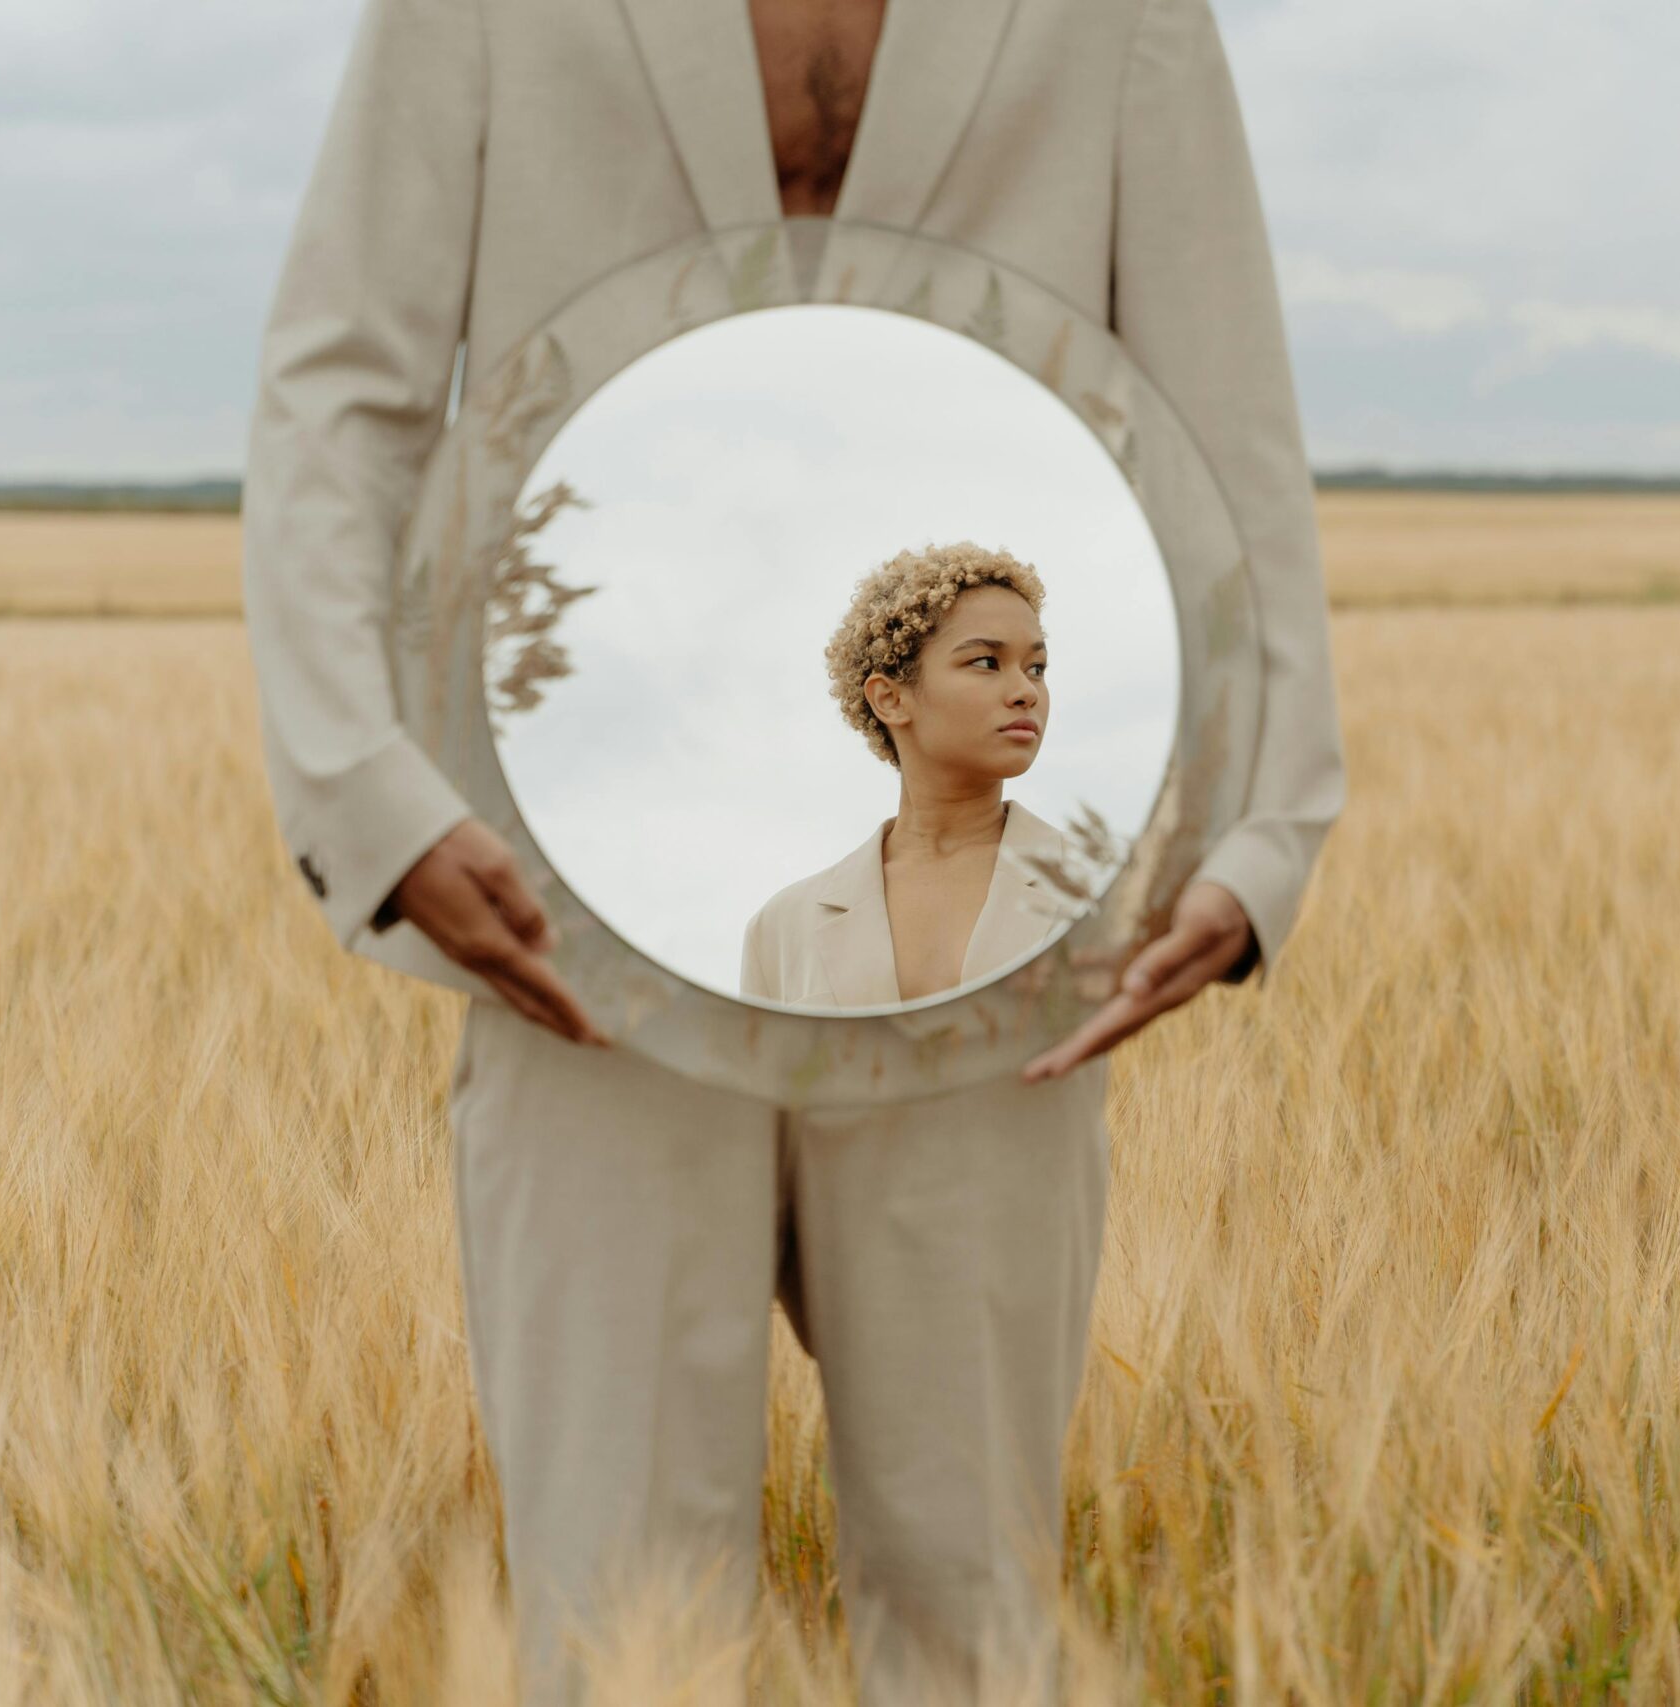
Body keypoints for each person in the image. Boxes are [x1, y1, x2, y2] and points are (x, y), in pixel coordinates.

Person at [239, 0, 1345, 1698]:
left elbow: (1227, 420)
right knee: (615, 1629)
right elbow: (347, 396)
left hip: (988, 938)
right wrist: (376, 803)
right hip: (573, 902)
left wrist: (1261, 831)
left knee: (973, 1605)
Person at [738, 544, 1081, 1012]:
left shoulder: (1105, 888)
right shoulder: (780, 929)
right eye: (986, 662)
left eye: (1036, 668)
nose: (1026, 692)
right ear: (890, 699)